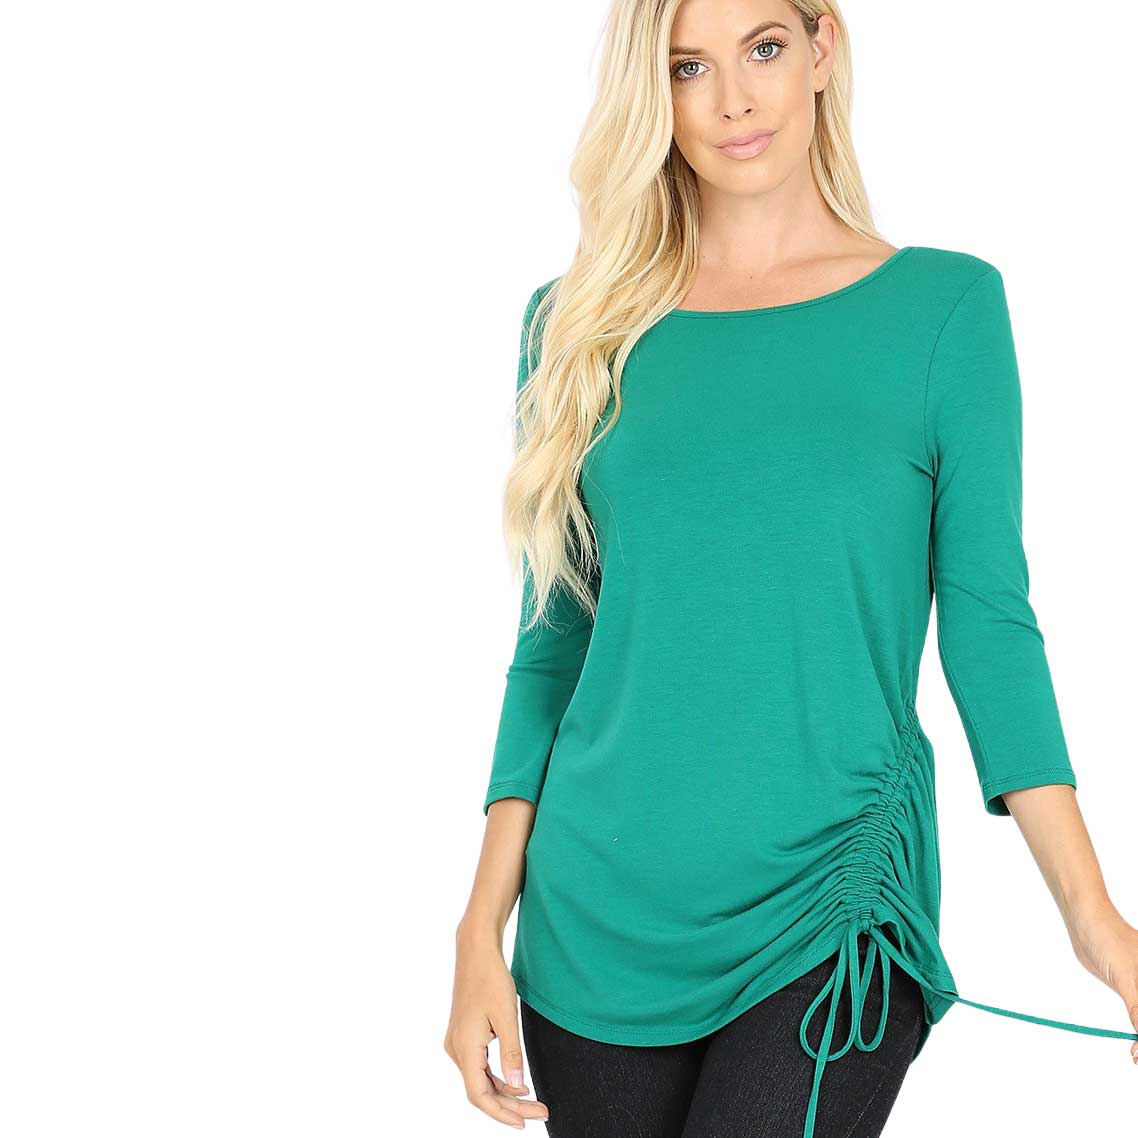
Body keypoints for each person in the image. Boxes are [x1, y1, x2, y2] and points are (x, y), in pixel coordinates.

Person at [443, 2, 1138, 1135]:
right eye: (687, 67)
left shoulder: (944, 310)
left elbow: (989, 626)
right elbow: (552, 649)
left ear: (822, 49)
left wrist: (1094, 920)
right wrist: (480, 924)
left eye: (764, 48)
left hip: (830, 898)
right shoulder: (572, 329)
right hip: (596, 914)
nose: (733, 100)